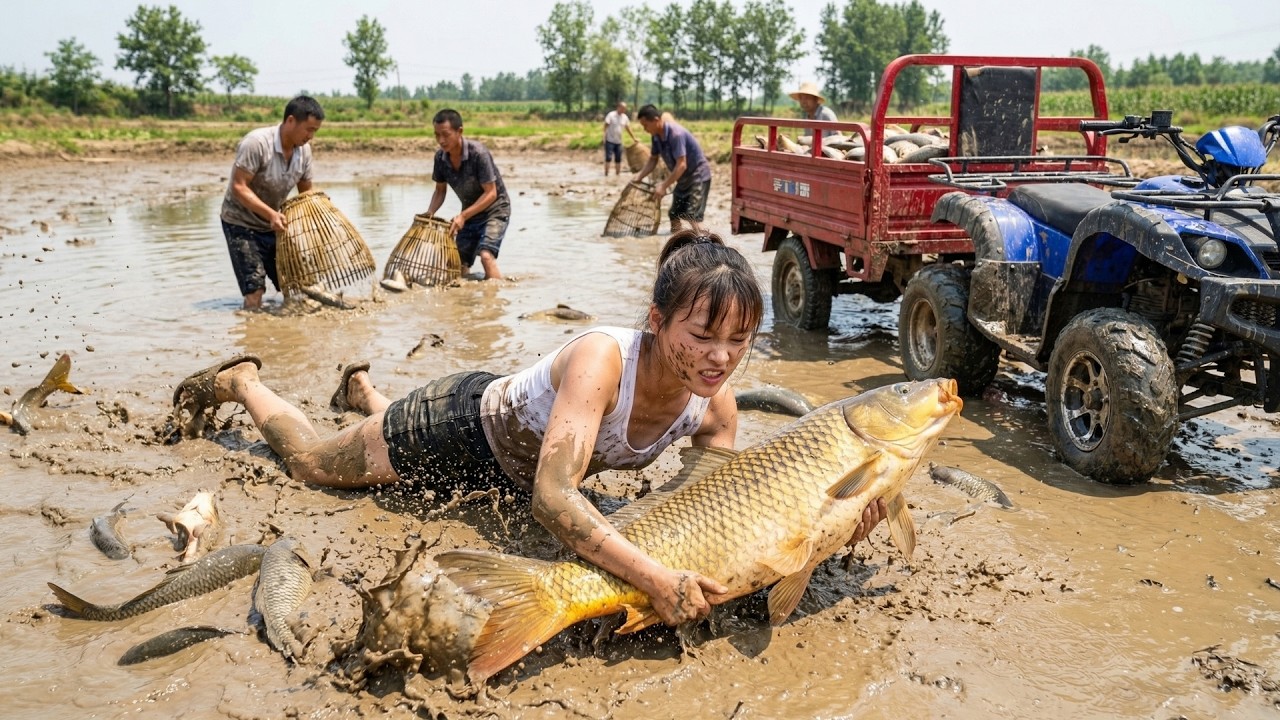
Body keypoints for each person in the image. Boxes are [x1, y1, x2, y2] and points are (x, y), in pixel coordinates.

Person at [171, 230, 887, 628]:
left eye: (740, 341)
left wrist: (830, 526)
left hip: (522, 466)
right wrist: (654, 580)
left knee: (370, 433)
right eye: (703, 335)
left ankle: (364, 392)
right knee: (311, 467)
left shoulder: (715, 408)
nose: (721, 359)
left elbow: (707, 514)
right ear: (657, 320)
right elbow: (554, 498)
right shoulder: (603, 361)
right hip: (458, 430)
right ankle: (246, 382)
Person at [220, 95, 325, 310]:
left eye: (315, 131)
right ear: (290, 121)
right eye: (309, 129)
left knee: (294, 284)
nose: (311, 137)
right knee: (255, 289)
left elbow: (306, 193)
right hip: (241, 222)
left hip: (273, 224)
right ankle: (253, 333)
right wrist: (271, 215)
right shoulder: (257, 143)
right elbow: (238, 187)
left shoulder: (303, 152)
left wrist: (316, 214)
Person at [425, 108, 510, 281]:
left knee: (486, 256)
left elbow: (491, 193)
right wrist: (429, 213)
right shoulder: (440, 158)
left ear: (459, 131)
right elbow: (440, 191)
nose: (441, 140)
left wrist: (463, 216)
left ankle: (494, 301)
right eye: (436, 135)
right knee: (456, 263)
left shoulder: (479, 154)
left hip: (495, 209)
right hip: (470, 212)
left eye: (446, 135)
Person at [632, 105, 713, 235]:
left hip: (698, 176)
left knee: (693, 216)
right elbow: (653, 160)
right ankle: (676, 241)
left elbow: (681, 165)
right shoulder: (656, 137)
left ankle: (706, 244)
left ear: (656, 120)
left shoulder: (676, 134)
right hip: (683, 178)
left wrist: (663, 186)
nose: (644, 129)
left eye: (645, 125)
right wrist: (639, 177)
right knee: (674, 213)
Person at [603, 101, 639, 176]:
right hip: (610, 140)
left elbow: (628, 128)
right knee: (608, 158)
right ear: (618, 107)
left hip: (619, 141)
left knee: (618, 159)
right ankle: (606, 174)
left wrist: (634, 138)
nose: (624, 110)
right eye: (622, 108)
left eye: (625, 109)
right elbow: (606, 126)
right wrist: (603, 136)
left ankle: (617, 175)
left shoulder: (624, 117)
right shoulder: (611, 115)